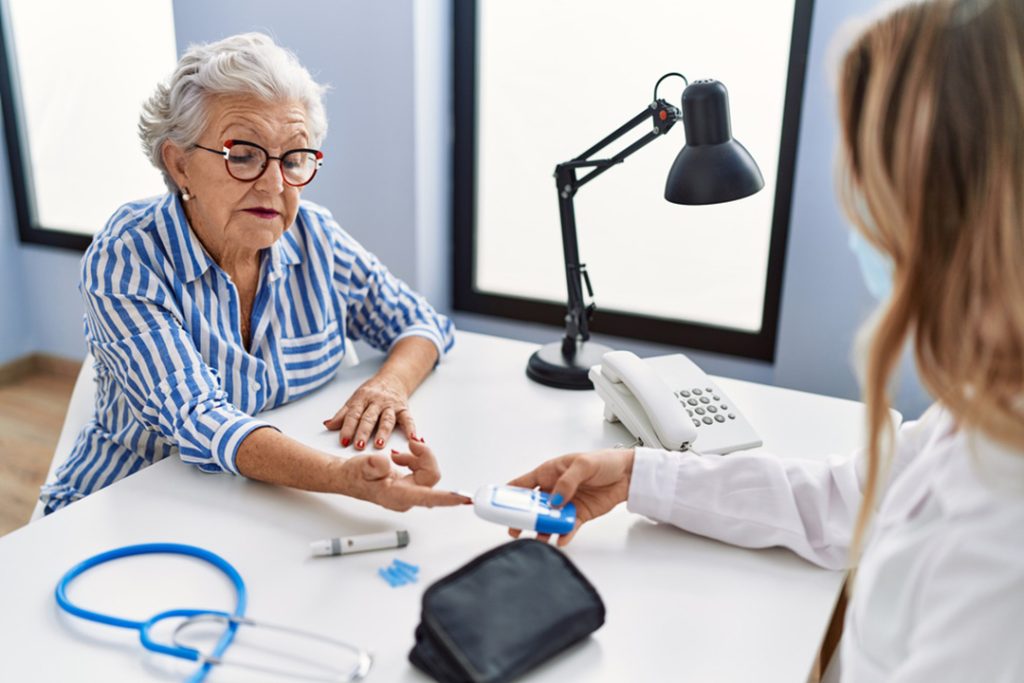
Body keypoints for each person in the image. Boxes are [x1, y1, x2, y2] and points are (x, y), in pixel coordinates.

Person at [509, 0, 1024, 679]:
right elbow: (838, 502)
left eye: (877, 193)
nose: (861, 225)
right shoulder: (982, 408)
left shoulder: (1004, 532)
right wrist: (636, 474)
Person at [40, 33, 464, 514]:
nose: (274, 184)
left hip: (255, 504)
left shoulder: (315, 235)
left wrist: (388, 385)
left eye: (294, 158)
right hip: (121, 506)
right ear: (179, 164)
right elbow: (200, 418)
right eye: (243, 155)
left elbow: (422, 323)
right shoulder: (128, 255)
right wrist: (342, 477)